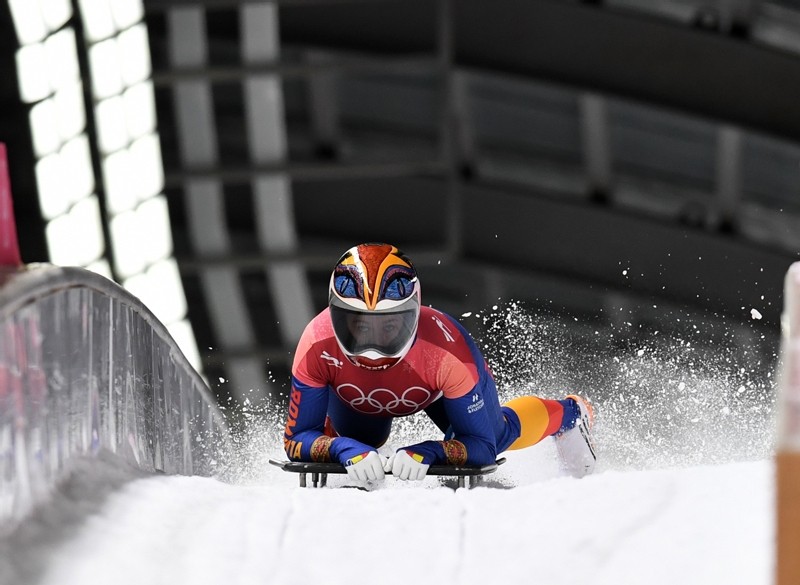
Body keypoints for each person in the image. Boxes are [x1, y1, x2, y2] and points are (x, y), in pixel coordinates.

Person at [283, 242, 596, 482]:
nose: (374, 349)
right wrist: (344, 449)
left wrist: (430, 452)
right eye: (360, 326)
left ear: (414, 313)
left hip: (433, 388)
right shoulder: (315, 343)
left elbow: (483, 447)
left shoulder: (447, 352)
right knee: (362, 441)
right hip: (358, 400)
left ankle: (570, 413)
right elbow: (296, 439)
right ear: (336, 316)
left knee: (499, 434)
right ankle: (347, 440)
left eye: (389, 326)